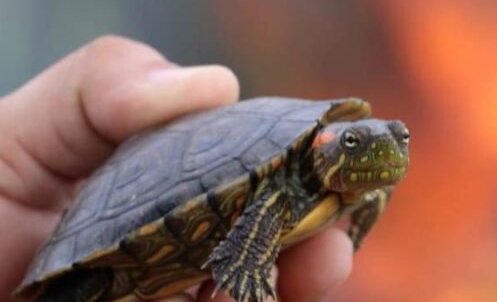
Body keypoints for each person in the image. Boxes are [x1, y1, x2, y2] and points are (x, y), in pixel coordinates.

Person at [0, 36, 352, 302]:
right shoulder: (286, 172)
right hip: (111, 260)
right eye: (352, 143)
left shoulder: (331, 187)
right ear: (328, 144)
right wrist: (248, 265)